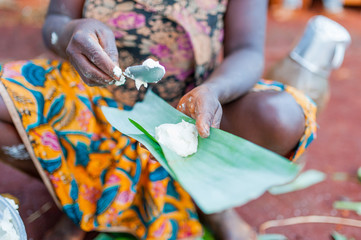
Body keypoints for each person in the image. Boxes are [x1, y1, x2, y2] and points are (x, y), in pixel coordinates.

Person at [0, 0, 317, 239]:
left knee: (280, 116)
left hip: (190, 117)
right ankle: (78, 192)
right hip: (87, 107)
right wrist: (70, 33)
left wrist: (215, 91)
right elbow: (56, 21)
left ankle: (206, 200)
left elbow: (246, 50)